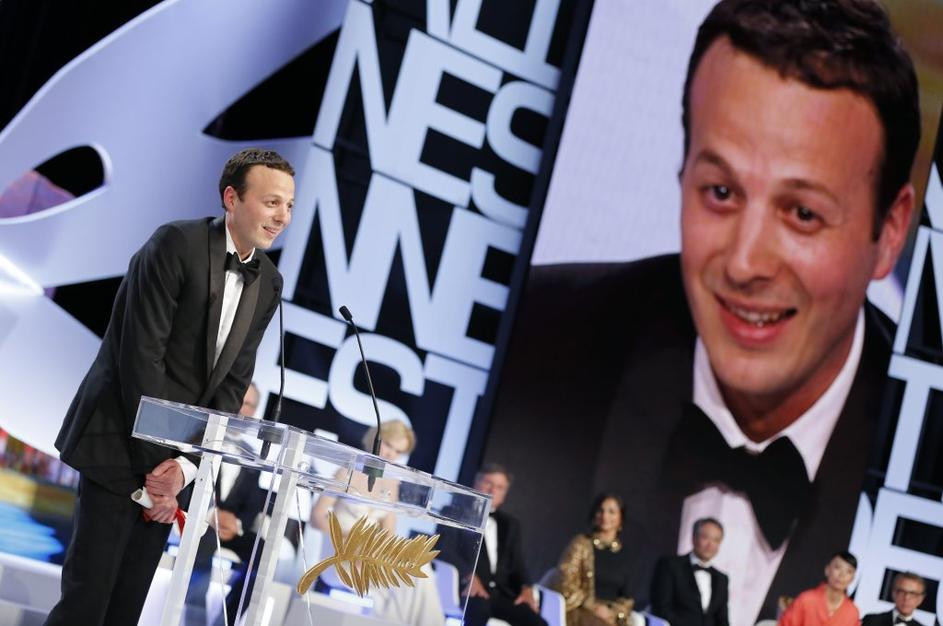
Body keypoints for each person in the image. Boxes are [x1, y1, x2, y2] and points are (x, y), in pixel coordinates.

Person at [485, 1, 919, 624]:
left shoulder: (927, 452)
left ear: (890, 232)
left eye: (802, 213)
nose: (744, 263)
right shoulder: (531, 340)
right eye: (720, 192)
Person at [45, 148, 294, 626]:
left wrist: (183, 469)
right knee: (84, 607)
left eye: (288, 206)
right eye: (271, 202)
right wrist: (161, 472)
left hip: (172, 471)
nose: (282, 216)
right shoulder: (175, 244)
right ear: (231, 198)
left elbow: (233, 385)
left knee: (125, 612)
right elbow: (140, 360)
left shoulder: (269, 282)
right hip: (117, 446)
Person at [310, 419, 444, 626]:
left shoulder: (392, 481)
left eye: (398, 451)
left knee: (420, 567)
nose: (391, 454)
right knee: (401, 582)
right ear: (376, 439)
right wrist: (349, 543)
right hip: (341, 554)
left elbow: (388, 533)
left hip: (370, 554)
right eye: (389, 445)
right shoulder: (347, 472)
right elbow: (317, 516)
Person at [437, 463, 548, 626]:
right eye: (488, 483)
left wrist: (526, 587)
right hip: (467, 588)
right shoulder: (453, 512)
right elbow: (444, 549)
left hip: (500, 593)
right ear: (476, 483)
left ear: (504, 494)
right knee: (478, 613)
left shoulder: (511, 524)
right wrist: (468, 575)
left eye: (499, 487)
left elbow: (518, 563)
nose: (492, 490)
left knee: (537, 622)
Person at [555, 493, 634, 626]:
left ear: (621, 518)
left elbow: (627, 598)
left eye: (611, 512)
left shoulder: (625, 554)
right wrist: (592, 606)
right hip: (580, 612)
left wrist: (612, 613)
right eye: (600, 511)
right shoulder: (581, 544)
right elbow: (565, 581)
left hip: (611, 618)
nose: (605, 516)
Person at [650, 518, 729, 626]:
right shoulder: (670, 565)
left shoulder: (722, 579)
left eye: (716, 540)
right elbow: (661, 608)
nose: (710, 544)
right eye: (705, 537)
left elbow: (722, 619)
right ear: (693, 538)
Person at [778, 551, 859, 626]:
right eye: (837, 567)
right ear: (827, 570)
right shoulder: (806, 599)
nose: (842, 574)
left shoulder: (852, 612)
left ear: (852, 578)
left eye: (849, 571)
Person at [861, 573, 927, 626]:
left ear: (920, 599)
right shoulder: (872, 621)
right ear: (893, 593)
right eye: (902, 592)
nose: (906, 597)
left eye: (912, 593)